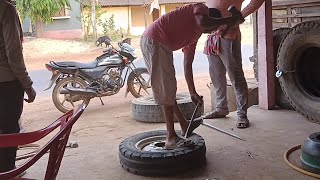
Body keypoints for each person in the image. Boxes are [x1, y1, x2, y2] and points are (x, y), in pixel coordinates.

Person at [140, 3, 244, 149]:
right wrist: (228, 20)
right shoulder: (200, 8)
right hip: (154, 39)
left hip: (159, 42)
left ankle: (184, 124)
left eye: (213, 29)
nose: (211, 31)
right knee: (166, 87)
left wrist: (192, 92)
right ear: (208, 17)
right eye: (212, 27)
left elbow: (187, 65)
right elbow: (204, 22)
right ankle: (171, 137)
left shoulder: (194, 36)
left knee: (169, 87)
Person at [202, 0, 265, 128]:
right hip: (212, 37)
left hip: (229, 36)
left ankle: (242, 114)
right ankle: (221, 108)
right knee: (216, 76)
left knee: (236, 77)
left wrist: (238, 17)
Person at [0, 0, 37, 173]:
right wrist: (27, 84)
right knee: (9, 128)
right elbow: (14, 53)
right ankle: (8, 170)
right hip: (6, 82)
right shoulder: (6, 9)